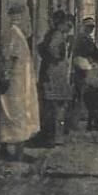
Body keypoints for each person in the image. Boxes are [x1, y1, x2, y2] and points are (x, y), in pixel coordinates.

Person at [0, 2, 40, 160]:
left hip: (22, 81)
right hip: (15, 83)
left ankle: (17, 151)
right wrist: (6, 77)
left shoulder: (18, 34)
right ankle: (16, 153)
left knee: (20, 113)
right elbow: (9, 58)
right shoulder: (14, 33)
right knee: (15, 114)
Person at [38, 10, 72, 146]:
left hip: (54, 72)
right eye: (65, 24)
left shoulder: (55, 34)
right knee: (55, 105)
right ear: (61, 23)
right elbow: (52, 49)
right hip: (54, 73)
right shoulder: (57, 35)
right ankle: (52, 137)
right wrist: (57, 59)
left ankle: (53, 136)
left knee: (53, 105)